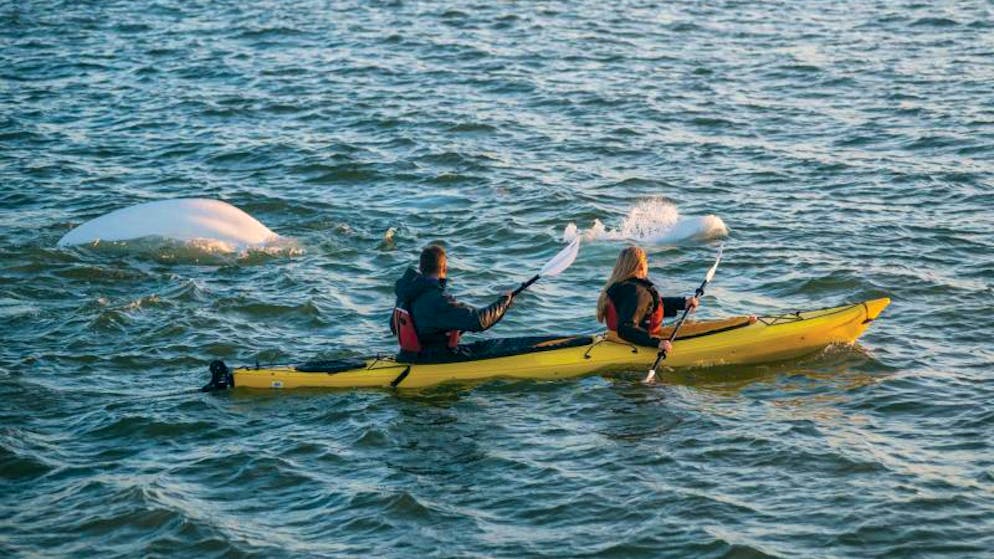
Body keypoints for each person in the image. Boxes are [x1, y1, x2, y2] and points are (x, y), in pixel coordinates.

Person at [390, 245, 512, 361]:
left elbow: (394, 327)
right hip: (435, 359)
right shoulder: (438, 299)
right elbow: (479, 322)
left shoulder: (405, 294)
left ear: (421, 268)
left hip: (407, 356)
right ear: (444, 268)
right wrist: (504, 302)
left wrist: (442, 333)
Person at [596, 246, 699, 353]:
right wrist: (656, 343)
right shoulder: (636, 291)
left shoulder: (621, 287)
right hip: (633, 343)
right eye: (646, 261)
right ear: (641, 265)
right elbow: (626, 329)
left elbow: (649, 306)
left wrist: (682, 303)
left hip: (616, 340)